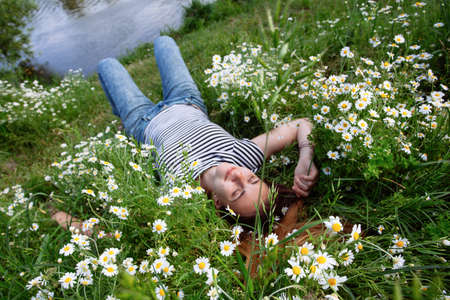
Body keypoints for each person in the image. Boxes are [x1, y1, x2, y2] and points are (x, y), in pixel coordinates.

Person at [96, 35, 318, 222]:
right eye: (252, 180)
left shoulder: (182, 193)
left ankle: (123, 122)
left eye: (237, 192)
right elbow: (301, 124)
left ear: (218, 202)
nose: (238, 175)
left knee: (107, 65)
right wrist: (305, 157)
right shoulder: (244, 157)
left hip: (142, 123)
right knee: (164, 41)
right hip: (185, 99)